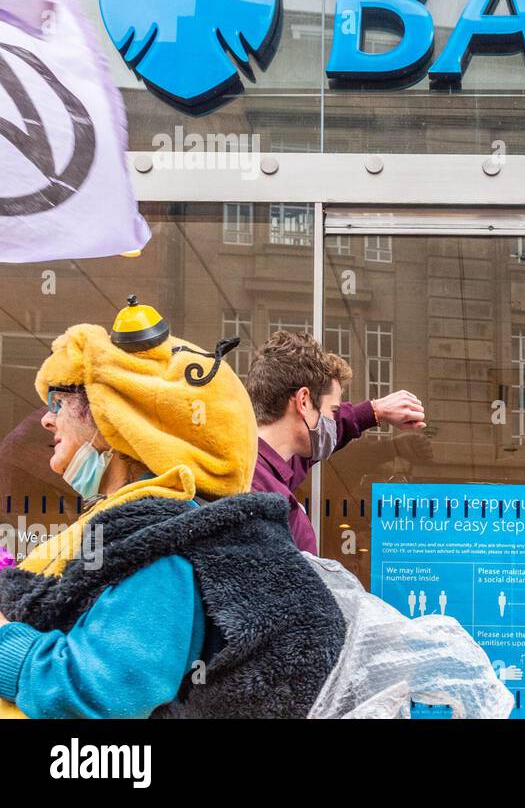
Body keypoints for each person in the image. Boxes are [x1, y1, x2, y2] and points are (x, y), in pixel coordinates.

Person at [0, 298, 346, 718]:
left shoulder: (163, 548)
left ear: (116, 421)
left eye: (58, 402)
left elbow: (96, 694)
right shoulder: (134, 529)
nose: (47, 420)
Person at [246, 330, 426, 554]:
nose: (333, 421)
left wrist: (375, 411)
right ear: (303, 401)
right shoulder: (256, 495)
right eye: (333, 410)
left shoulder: (265, 468)